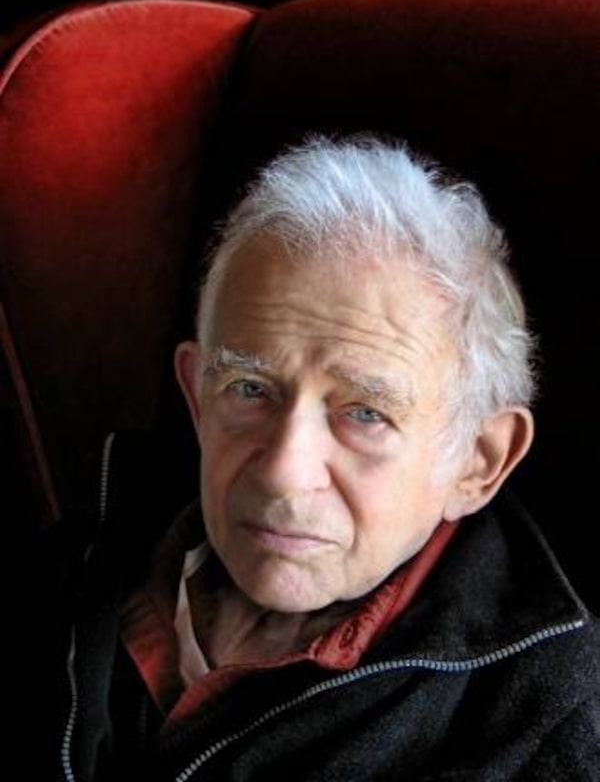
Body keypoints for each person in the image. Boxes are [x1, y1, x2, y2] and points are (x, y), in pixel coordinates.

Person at [33, 134, 599, 780]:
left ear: (477, 461)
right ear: (197, 398)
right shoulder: (67, 572)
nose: (284, 472)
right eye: (249, 389)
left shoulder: (547, 725)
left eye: (366, 414)